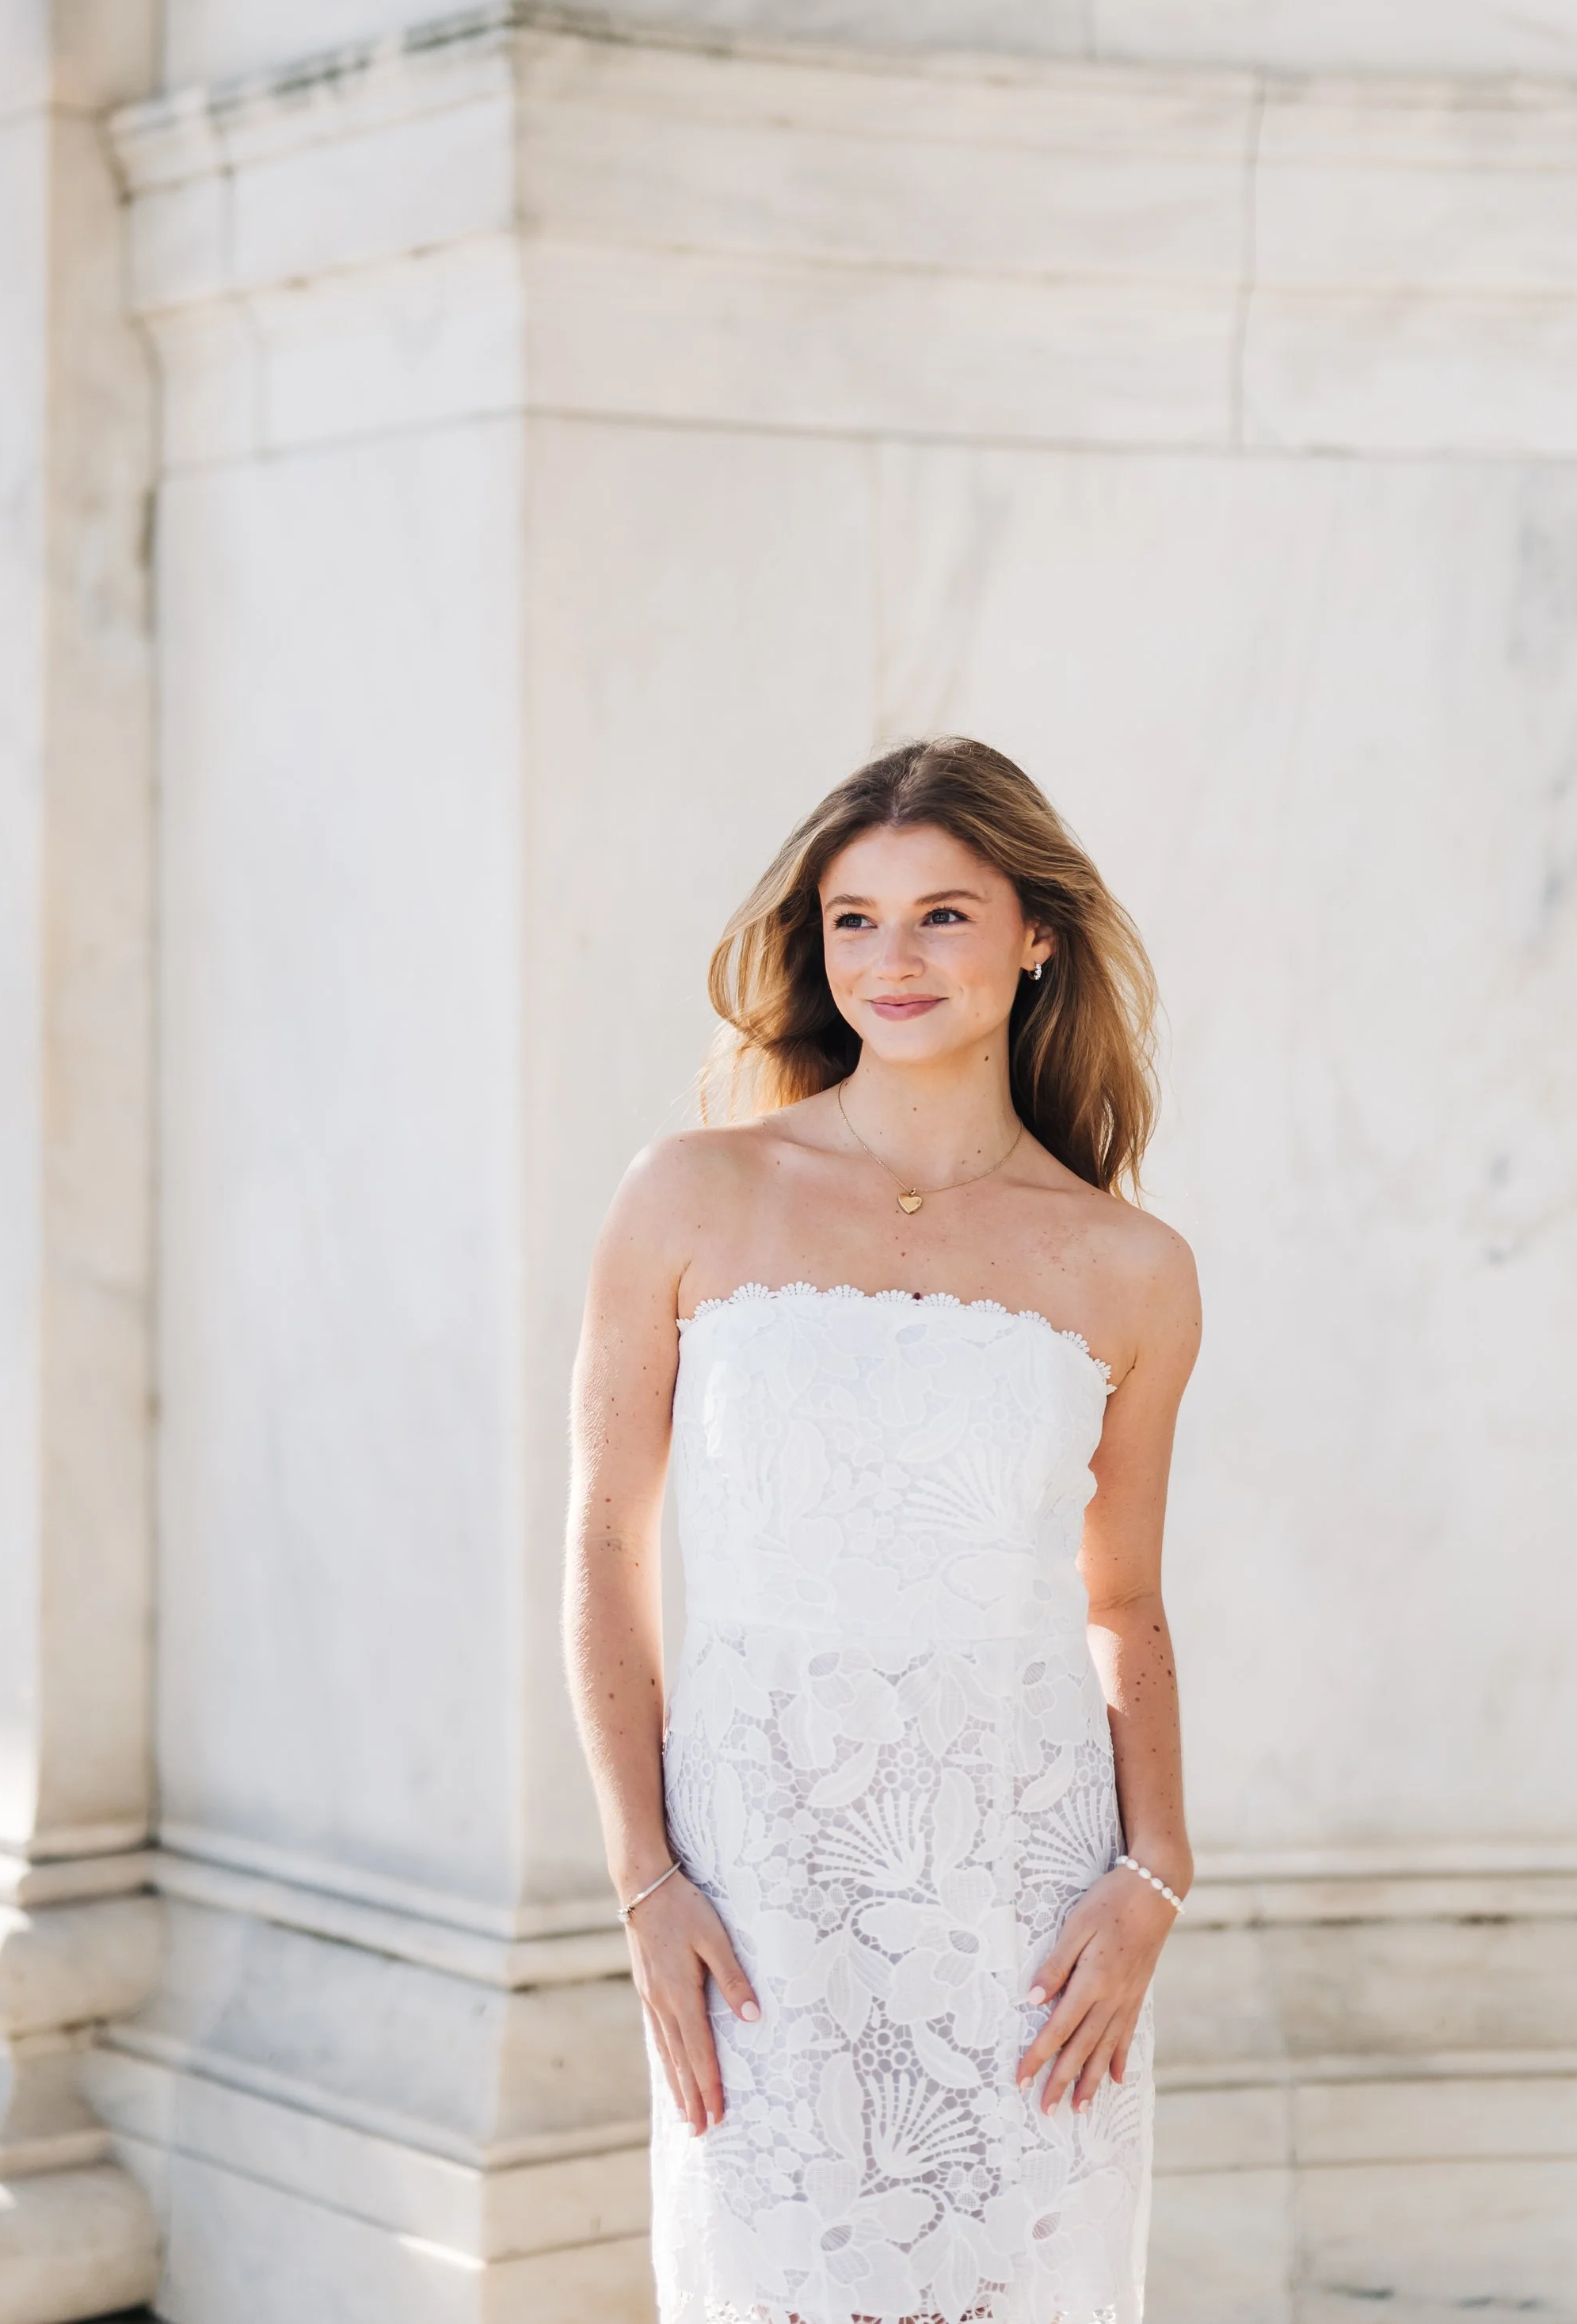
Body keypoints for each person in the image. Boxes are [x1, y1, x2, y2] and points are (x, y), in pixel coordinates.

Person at [565, 738, 1199, 2324]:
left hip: (1026, 1906)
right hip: (760, 1892)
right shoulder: (688, 1196)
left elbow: (1120, 1606)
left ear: (1033, 934)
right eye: (851, 921)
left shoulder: (1126, 1265)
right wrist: (643, 1878)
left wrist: (1155, 1876)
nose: (887, 962)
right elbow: (601, 1543)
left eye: (938, 916)